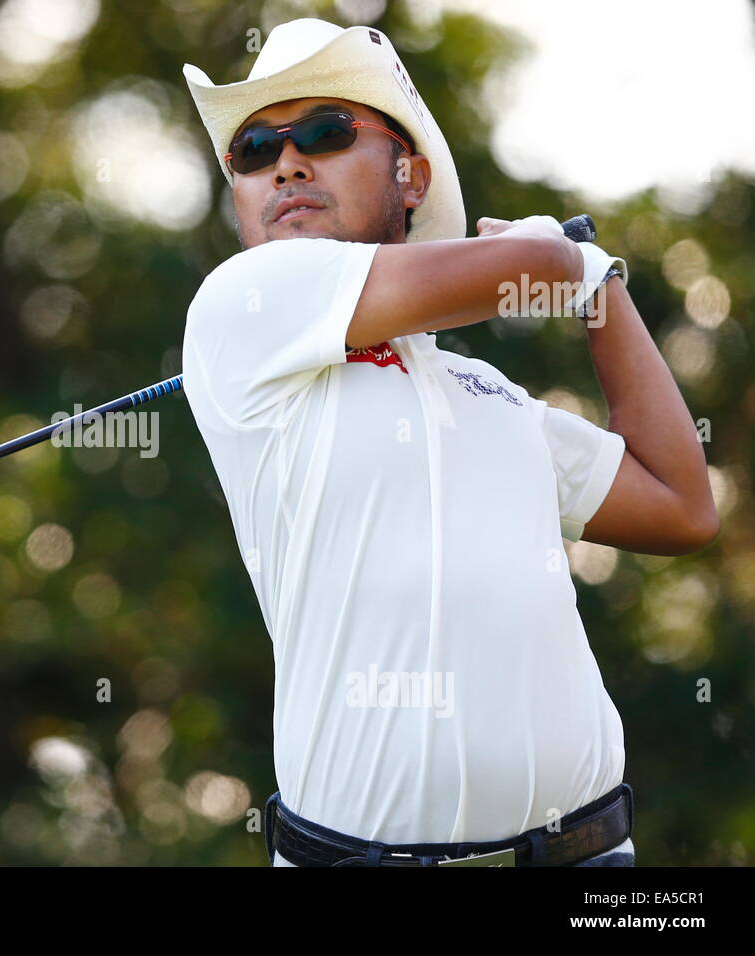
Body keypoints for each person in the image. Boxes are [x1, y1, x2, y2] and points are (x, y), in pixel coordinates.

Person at [180, 18, 719, 866]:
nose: (285, 162)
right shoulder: (238, 306)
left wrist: (601, 290)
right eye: (253, 150)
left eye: (324, 132)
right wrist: (561, 256)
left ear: (410, 175)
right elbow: (531, 269)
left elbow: (684, 507)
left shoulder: (491, 396)